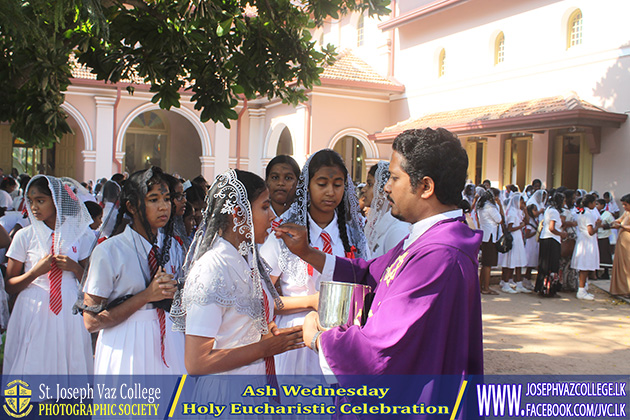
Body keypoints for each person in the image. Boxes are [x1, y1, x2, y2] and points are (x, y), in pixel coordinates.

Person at [275, 128, 483, 378]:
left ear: (425, 186)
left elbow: (378, 349)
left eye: (394, 178)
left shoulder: (440, 255)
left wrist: (318, 339)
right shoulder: (428, 239)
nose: (385, 188)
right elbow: (369, 273)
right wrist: (307, 252)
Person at [171, 169, 303, 410]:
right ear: (238, 214)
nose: (272, 215)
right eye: (264, 207)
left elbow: (239, 325)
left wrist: (267, 333)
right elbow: (196, 362)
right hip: (225, 394)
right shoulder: (212, 268)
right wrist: (264, 347)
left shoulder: (250, 258)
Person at [260, 149, 368, 377]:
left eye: (337, 185)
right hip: (294, 336)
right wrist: (311, 302)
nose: (330, 192)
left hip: (340, 337)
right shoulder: (283, 234)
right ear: (307, 186)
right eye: (322, 184)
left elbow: (364, 283)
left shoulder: (352, 235)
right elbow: (260, 297)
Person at [82, 167, 186, 374]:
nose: (163, 207)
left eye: (167, 199)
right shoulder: (110, 252)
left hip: (169, 342)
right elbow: (91, 321)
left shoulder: (173, 247)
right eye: (153, 200)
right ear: (131, 206)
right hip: (125, 346)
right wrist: (147, 296)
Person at [4, 176, 94, 374]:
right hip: (33, 307)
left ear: (56, 200)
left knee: (70, 355)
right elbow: (9, 285)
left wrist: (75, 268)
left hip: (69, 304)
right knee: (33, 359)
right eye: (31, 201)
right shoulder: (24, 236)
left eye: (41, 200)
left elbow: (90, 281)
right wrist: (35, 272)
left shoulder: (80, 235)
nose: (34, 207)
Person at [363, 161, 411, 258]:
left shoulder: (398, 229)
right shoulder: (376, 223)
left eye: (369, 184)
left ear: (382, 190)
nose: (364, 189)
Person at [535, 192, 567, 296]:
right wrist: (561, 234)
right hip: (552, 240)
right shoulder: (554, 212)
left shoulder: (549, 209)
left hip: (546, 239)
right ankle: (549, 289)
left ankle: (543, 288)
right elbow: (552, 228)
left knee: (544, 265)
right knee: (552, 265)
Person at [498, 193, 530, 293]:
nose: (522, 203)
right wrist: (520, 226)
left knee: (519, 261)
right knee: (511, 261)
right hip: (514, 237)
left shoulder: (519, 211)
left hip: (519, 237)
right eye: (521, 201)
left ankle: (519, 283)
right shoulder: (512, 212)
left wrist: (525, 209)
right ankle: (506, 283)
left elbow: (527, 221)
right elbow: (510, 228)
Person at [571, 194, 600, 300]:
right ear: (590, 203)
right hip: (587, 241)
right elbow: (591, 231)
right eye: (594, 202)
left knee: (585, 266)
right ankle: (581, 289)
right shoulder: (588, 214)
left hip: (583, 240)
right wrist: (598, 226)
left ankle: (583, 288)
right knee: (585, 266)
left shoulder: (582, 213)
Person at [477, 189, 504, 294]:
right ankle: (486, 288)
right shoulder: (491, 207)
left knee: (484, 264)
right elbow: (499, 219)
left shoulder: (481, 206)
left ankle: (481, 286)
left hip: (485, 236)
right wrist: (500, 205)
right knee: (488, 264)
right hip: (490, 237)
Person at [265, 155, 300, 226]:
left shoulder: (304, 219)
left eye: (288, 178)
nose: (280, 183)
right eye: (275, 177)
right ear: (266, 181)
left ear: (298, 183)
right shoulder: (256, 215)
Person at [610, 194, 630, 297]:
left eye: (625, 205)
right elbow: (619, 220)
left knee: (628, 266)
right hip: (622, 243)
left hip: (628, 245)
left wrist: (621, 226)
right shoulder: (626, 213)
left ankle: (628, 289)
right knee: (621, 266)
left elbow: (624, 225)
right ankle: (621, 289)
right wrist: (613, 222)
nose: (624, 207)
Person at [595, 198, 614, 279]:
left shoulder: (607, 214)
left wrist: (602, 226)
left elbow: (612, 224)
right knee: (596, 255)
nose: (596, 206)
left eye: (597, 204)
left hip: (604, 237)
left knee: (605, 255)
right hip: (595, 237)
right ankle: (595, 273)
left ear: (602, 205)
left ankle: (606, 273)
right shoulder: (594, 213)